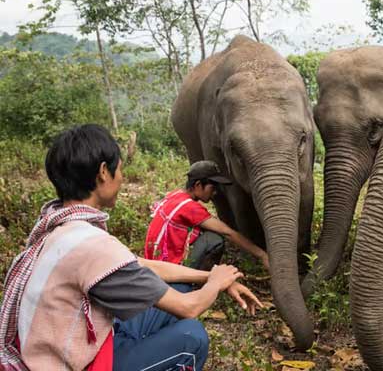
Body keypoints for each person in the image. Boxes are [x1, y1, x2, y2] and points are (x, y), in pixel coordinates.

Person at [0, 124, 262, 371]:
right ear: (104, 172)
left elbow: (142, 264)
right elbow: (188, 308)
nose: (122, 178)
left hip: (87, 337)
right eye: (121, 170)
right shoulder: (93, 246)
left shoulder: (61, 228)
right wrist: (216, 283)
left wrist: (211, 277)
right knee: (192, 337)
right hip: (79, 363)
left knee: (179, 286)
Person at [144, 160, 270, 271]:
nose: (215, 192)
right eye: (213, 187)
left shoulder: (176, 195)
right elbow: (228, 232)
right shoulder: (189, 207)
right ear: (198, 185)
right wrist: (261, 254)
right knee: (214, 239)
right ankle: (193, 283)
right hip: (168, 269)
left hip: (153, 263)